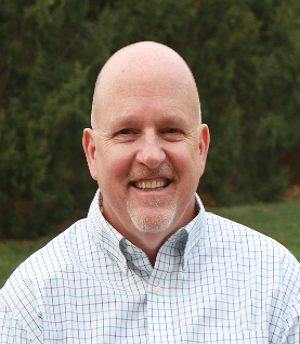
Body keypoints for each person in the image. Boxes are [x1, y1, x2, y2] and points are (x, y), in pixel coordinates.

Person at [0, 41, 299, 343]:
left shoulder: (275, 283)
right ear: (92, 153)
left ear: (201, 148)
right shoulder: (31, 306)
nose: (152, 155)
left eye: (171, 130)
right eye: (127, 132)